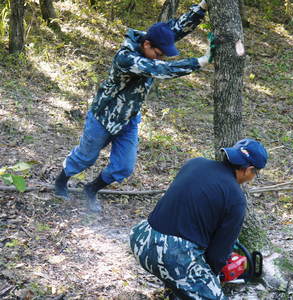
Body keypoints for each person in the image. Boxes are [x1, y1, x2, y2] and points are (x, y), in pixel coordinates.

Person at [54, 0, 212, 212]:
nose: (161, 56)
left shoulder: (154, 39)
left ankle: (91, 189)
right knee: (84, 158)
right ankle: (60, 181)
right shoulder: (126, 58)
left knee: (124, 167)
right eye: (159, 53)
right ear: (146, 45)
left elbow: (177, 27)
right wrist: (202, 60)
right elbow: (161, 69)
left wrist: (202, 6)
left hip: (128, 119)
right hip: (104, 118)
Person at [129, 138, 269, 300]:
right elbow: (217, 256)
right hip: (170, 255)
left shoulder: (195, 163)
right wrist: (213, 279)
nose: (253, 176)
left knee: (180, 270)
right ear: (248, 170)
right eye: (255, 173)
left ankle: (175, 290)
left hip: (141, 238)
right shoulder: (236, 198)